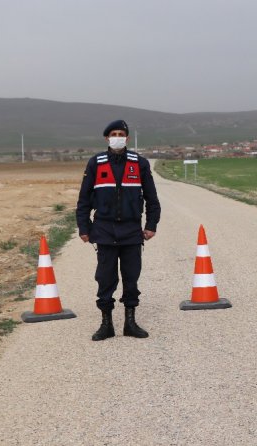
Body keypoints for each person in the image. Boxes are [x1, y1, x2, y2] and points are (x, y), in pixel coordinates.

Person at [76, 119, 161, 340]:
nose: (117, 137)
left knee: (131, 278)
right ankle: (106, 325)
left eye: (121, 133)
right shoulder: (95, 163)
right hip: (104, 230)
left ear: (127, 138)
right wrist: (83, 227)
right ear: (107, 138)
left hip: (132, 231)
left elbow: (152, 199)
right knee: (105, 278)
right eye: (113, 133)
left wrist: (151, 225)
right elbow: (83, 199)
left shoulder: (139, 163)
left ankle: (130, 324)